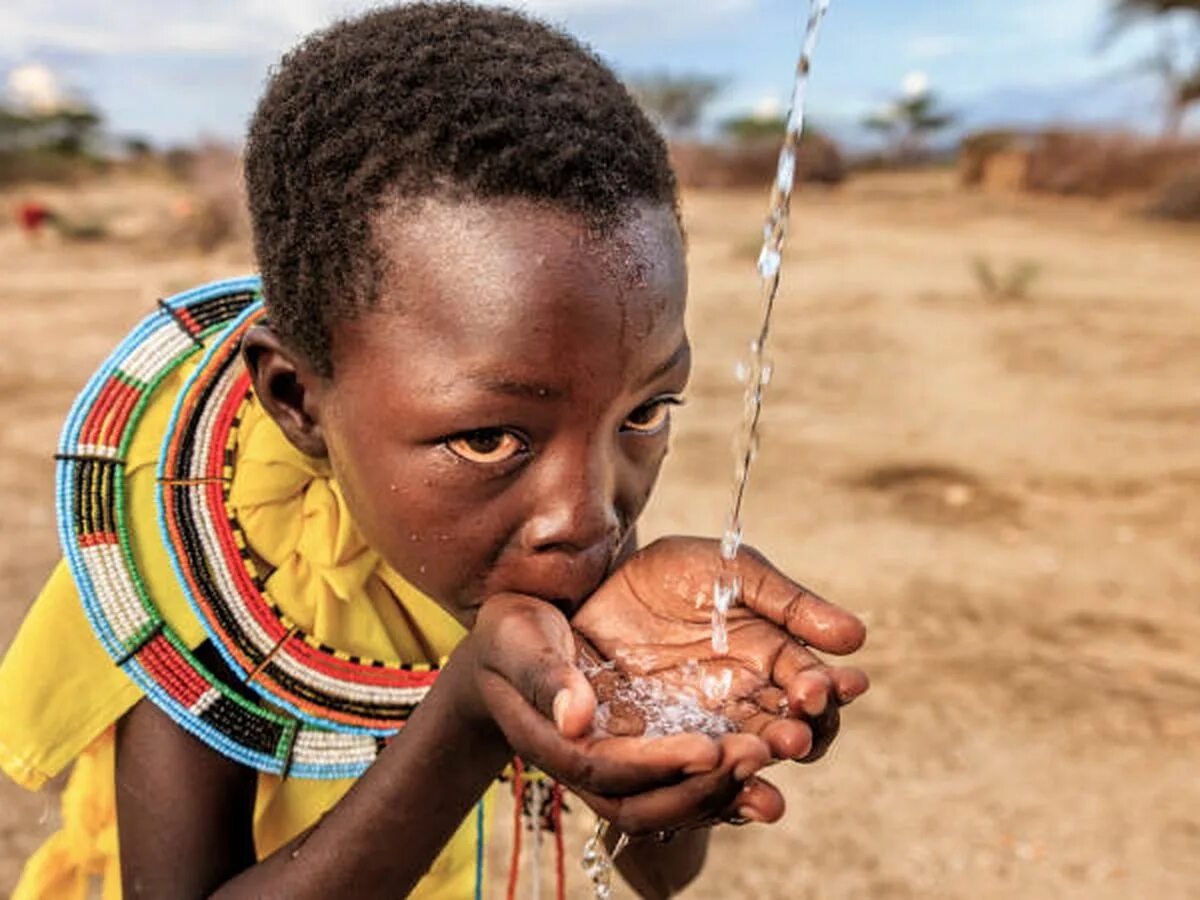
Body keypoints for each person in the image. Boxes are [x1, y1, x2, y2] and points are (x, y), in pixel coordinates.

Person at [0, 4, 868, 898]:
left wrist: (680, 745)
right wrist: (468, 721)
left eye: (643, 414)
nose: (590, 518)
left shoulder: (567, 524)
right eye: (490, 438)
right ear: (296, 400)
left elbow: (654, 872)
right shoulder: (211, 557)